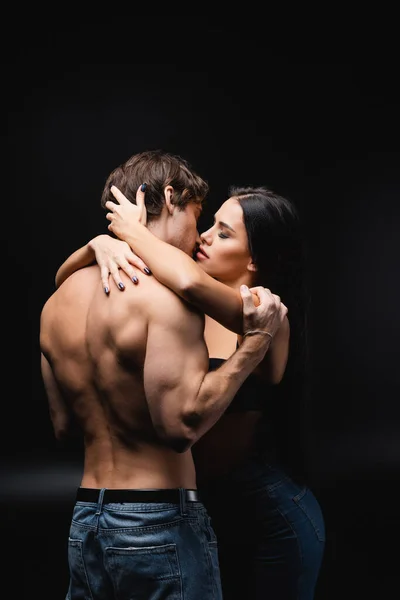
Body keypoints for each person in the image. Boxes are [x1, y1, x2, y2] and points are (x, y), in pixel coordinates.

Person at [56, 177, 326, 600]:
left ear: (255, 259)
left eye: (223, 232)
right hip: (204, 514)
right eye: (210, 223)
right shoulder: (190, 306)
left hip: (269, 518)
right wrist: (98, 247)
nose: (204, 236)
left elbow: (188, 281)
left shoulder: (264, 314)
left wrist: (129, 232)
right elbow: (67, 284)